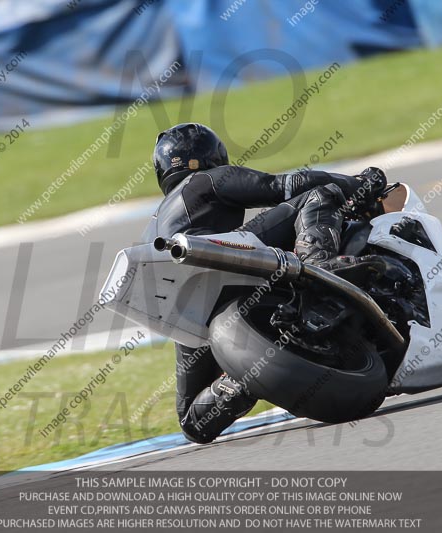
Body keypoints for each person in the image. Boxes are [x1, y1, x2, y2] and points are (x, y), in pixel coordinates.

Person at [141, 123, 387, 444]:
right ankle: (322, 268)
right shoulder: (205, 179)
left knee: (191, 420)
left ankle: (236, 384)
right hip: (219, 258)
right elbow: (284, 185)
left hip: (184, 304)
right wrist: (359, 182)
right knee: (316, 195)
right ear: (212, 156)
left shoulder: (153, 224)